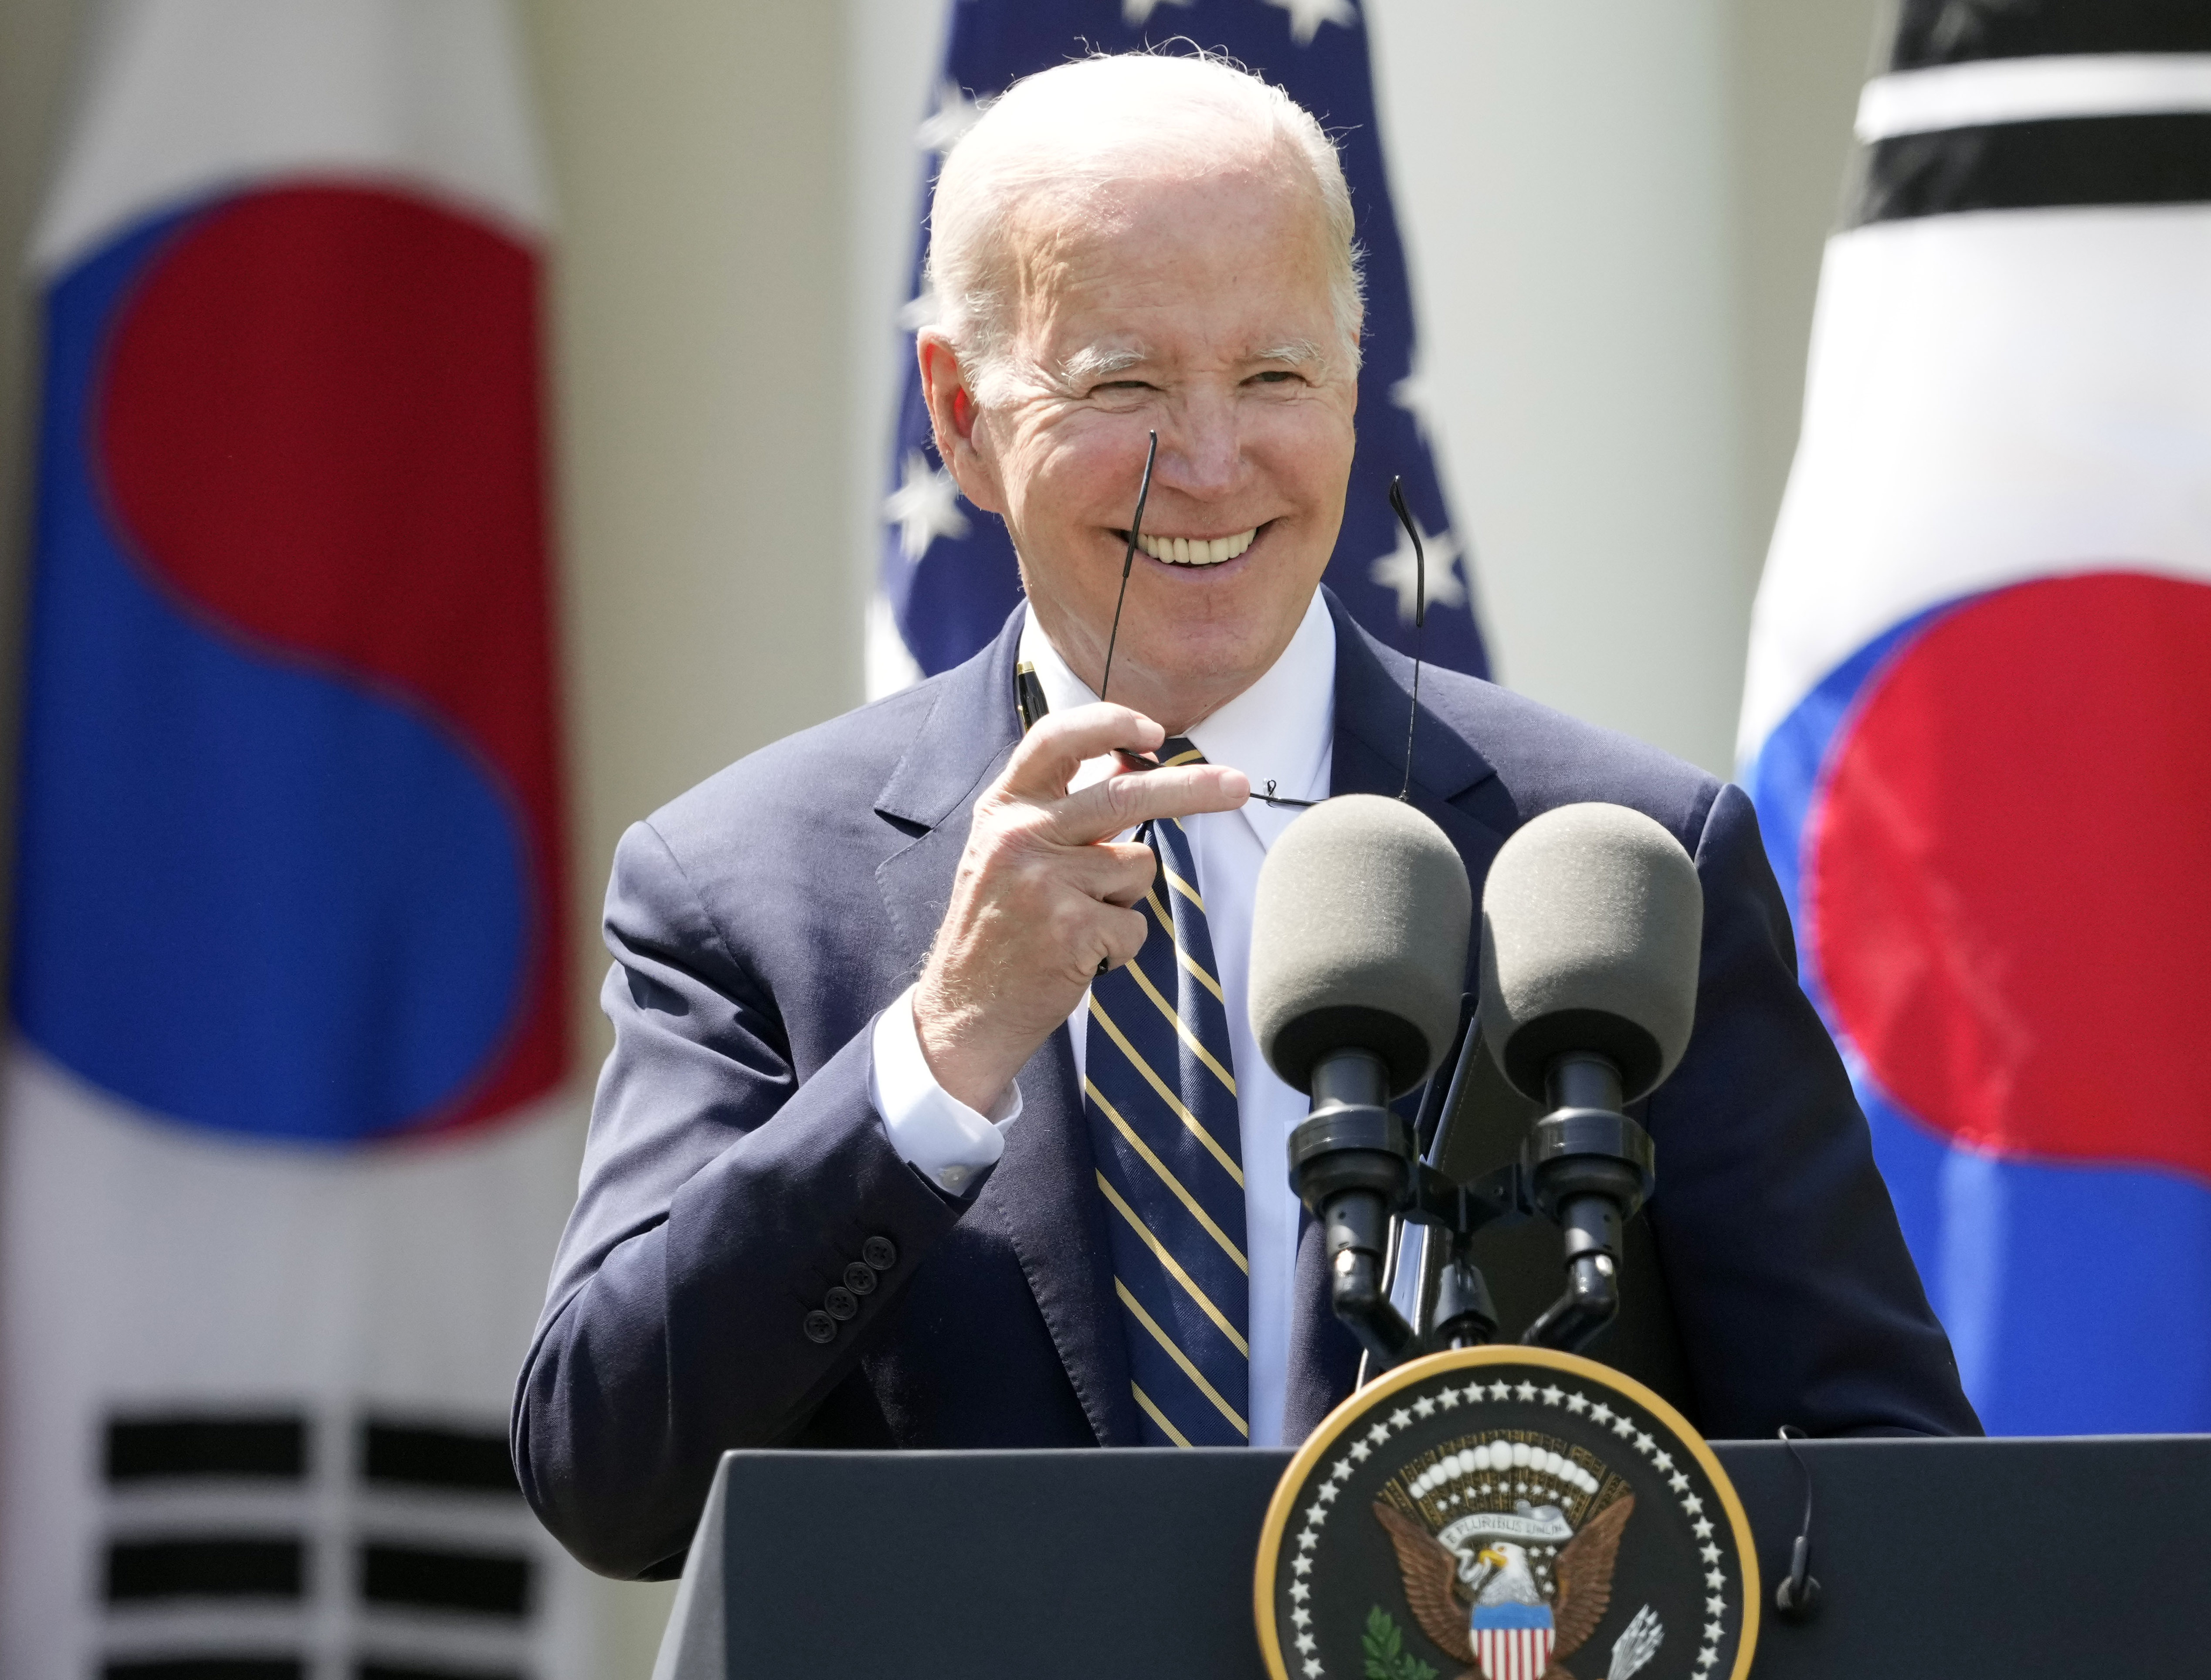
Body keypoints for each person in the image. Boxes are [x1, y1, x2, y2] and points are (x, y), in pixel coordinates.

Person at [514, 51, 1975, 1582]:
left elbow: (1888, 1490)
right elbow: (612, 1477)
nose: (1210, 466)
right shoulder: (746, 889)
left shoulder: (1618, 863)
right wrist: (942, 1046)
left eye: (1274, 377)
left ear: (1351, 384)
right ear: (958, 414)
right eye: (1124, 383)